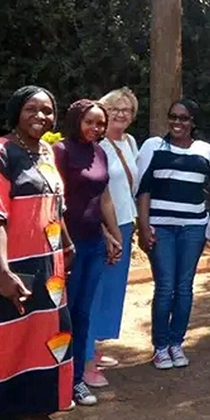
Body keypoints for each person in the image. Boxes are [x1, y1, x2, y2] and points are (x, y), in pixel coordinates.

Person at [0, 86, 74, 420]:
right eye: (31, 109)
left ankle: (35, 413)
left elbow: (55, 205)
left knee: (47, 336)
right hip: (13, 266)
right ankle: (2, 418)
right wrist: (3, 271)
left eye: (48, 110)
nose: (41, 116)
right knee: (11, 340)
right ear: (16, 112)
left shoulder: (47, 152)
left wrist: (68, 243)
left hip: (50, 267)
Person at [137, 99, 210, 370]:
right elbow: (143, 189)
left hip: (193, 229)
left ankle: (177, 343)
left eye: (184, 118)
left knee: (184, 287)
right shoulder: (153, 146)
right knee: (165, 287)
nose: (177, 122)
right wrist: (143, 225)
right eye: (173, 117)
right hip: (160, 228)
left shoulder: (206, 151)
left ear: (192, 122)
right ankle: (160, 347)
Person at [54, 99, 123, 407]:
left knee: (83, 313)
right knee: (61, 315)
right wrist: (65, 243)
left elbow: (102, 198)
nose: (95, 128)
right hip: (66, 247)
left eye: (100, 123)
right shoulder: (60, 152)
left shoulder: (100, 152)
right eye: (89, 122)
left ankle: (76, 381)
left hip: (94, 244)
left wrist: (112, 233)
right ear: (75, 120)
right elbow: (55, 202)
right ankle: (54, 380)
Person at [82, 87, 139, 386]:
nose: (121, 114)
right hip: (103, 228)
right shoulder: (97, 145)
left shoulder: (130, 142)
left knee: (111, 292)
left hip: (126, 223)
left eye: (127, 110)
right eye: (115, 109)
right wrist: (107, 231)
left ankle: (95, 347)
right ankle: (86, 362)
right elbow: (93, 194)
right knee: (93, 291)